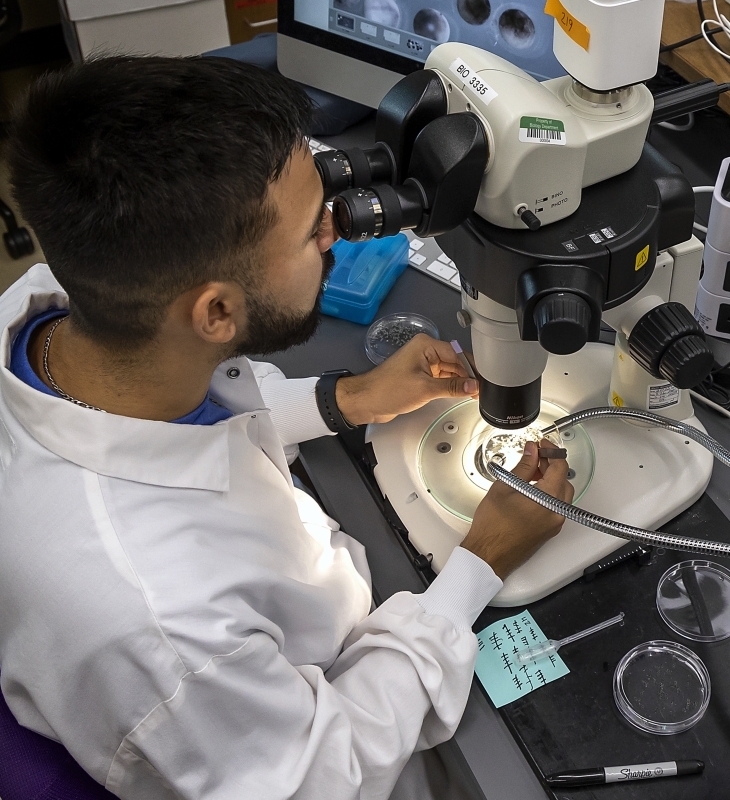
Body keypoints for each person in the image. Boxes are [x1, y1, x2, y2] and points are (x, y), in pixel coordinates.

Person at [0, 56, 572, 800]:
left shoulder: (58, 304)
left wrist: (347, 397)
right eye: (313, 232)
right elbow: (324, 774)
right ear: (216, 313)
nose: (338, 230)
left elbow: (197, 399)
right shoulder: (164, 626)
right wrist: (480, 565)